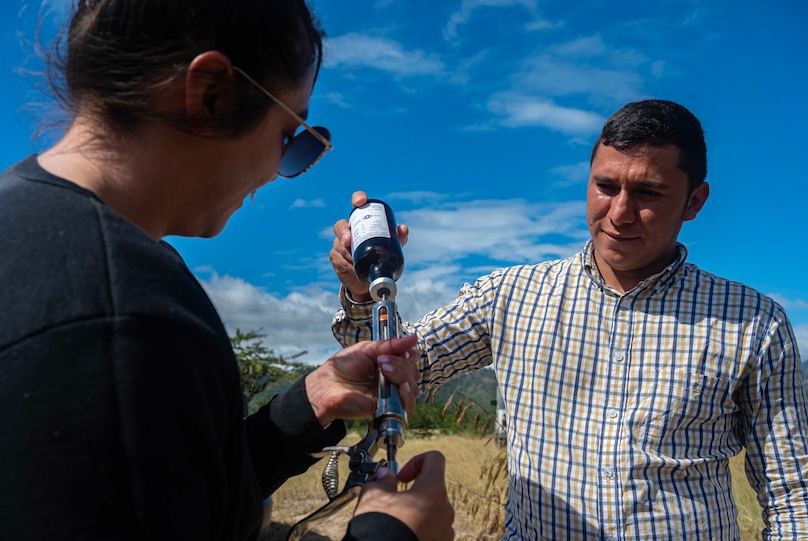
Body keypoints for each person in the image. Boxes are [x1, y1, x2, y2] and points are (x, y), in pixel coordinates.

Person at [0, 0, 455, 540]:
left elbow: (183, 488)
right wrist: (392, 536)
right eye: (290, 140)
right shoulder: (121, 316)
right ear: (211, 94)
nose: (279, 173)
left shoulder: (19, 224)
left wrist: (312, 400)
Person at [330, 99, 808, 539]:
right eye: (605, 186)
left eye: (648, 192)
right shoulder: (510, 296)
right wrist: (360, 293)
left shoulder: (753, 323)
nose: (619, 212)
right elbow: (389, 367)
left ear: (695, 201)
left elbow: (792, 496)